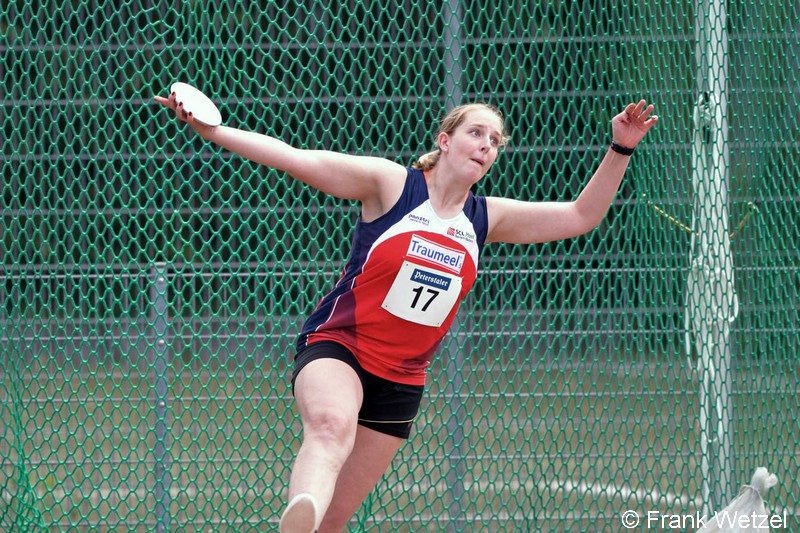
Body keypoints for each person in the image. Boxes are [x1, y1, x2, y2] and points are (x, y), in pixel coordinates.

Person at [155, 91, 657, 533]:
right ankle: (297, 512)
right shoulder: (391, 185)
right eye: (476, 132)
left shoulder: (486, 218)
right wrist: (210, 128)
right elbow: (292, 158)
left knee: (333, 524)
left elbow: (580, 216)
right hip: (340, 346)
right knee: (331, 427)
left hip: (401, 380)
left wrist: (621, 147)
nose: (487, 144)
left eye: (496, 141)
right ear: (445, 140)